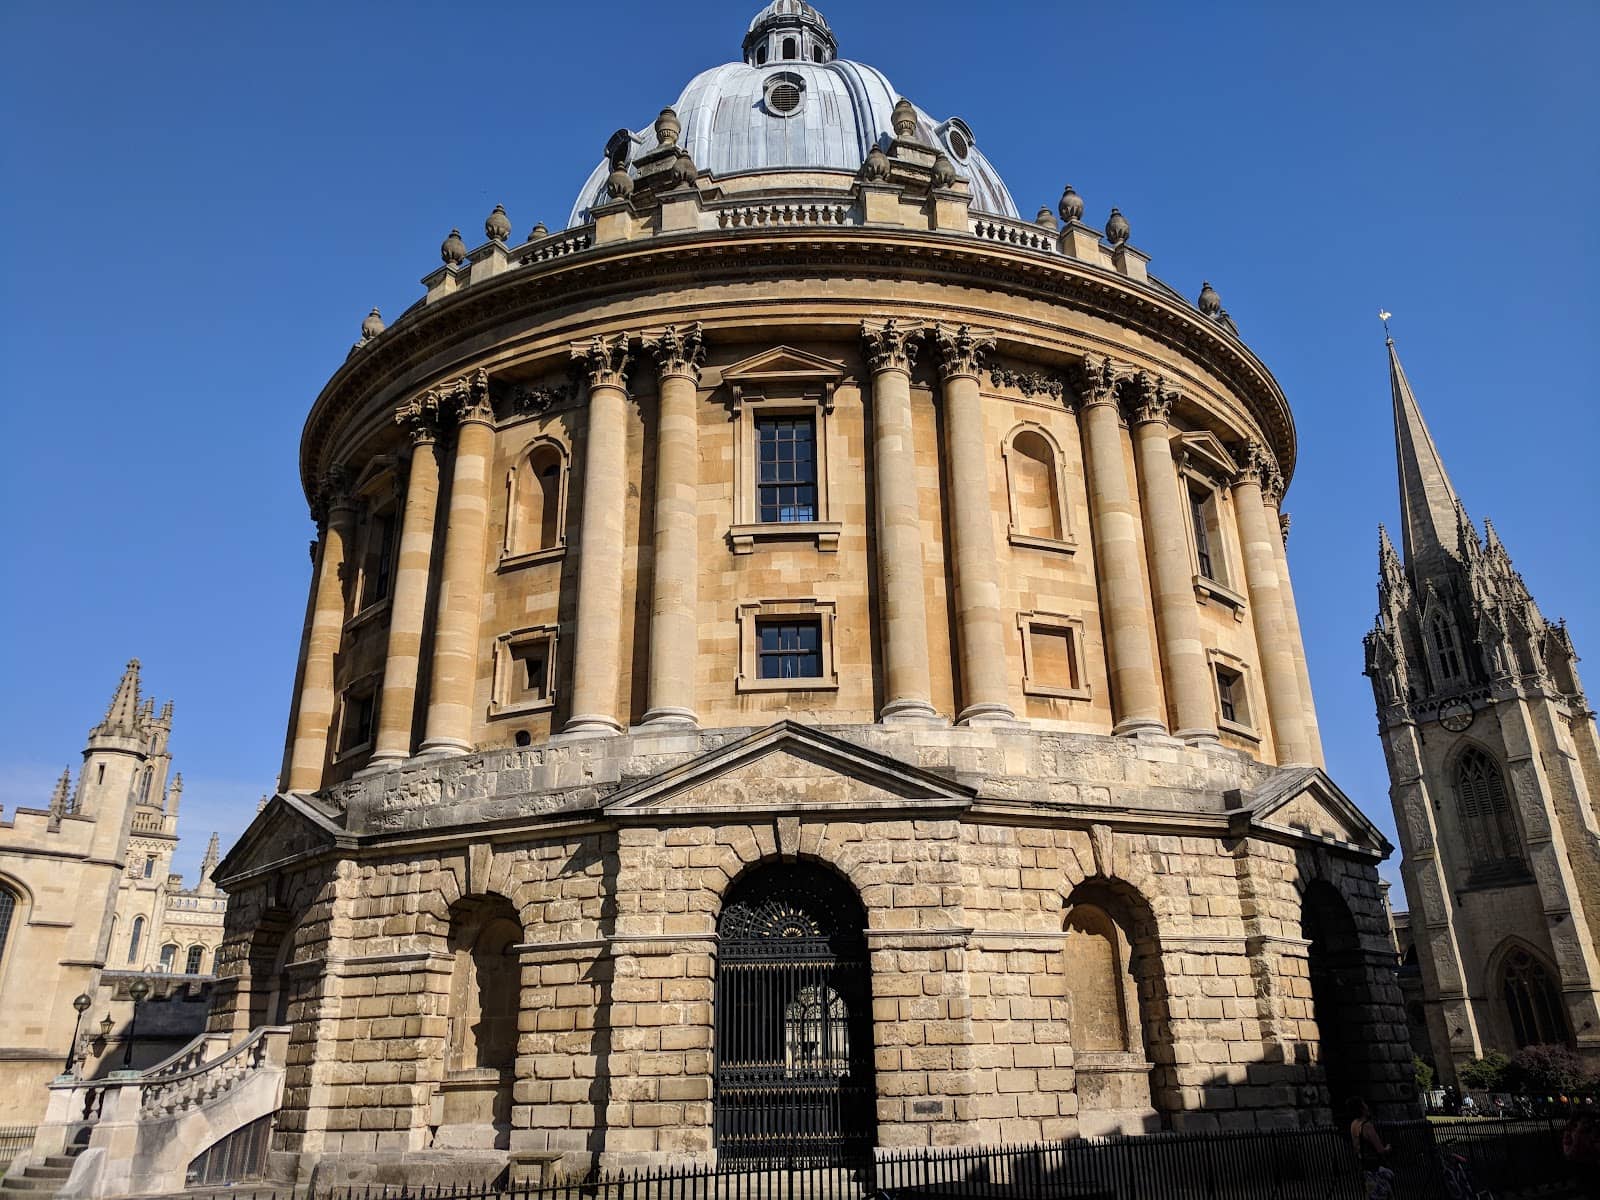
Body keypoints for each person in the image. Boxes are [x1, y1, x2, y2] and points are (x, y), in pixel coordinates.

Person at [1348, 1097, 1395, 1200]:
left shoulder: (1353, 1124)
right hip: (1375, 1168)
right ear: (1362, 1109)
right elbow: (1380, 1150)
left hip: (1363, 1167)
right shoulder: (1367, 1126)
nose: (1367, 1106)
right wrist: (1388, 1148)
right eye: (1364, 1104)